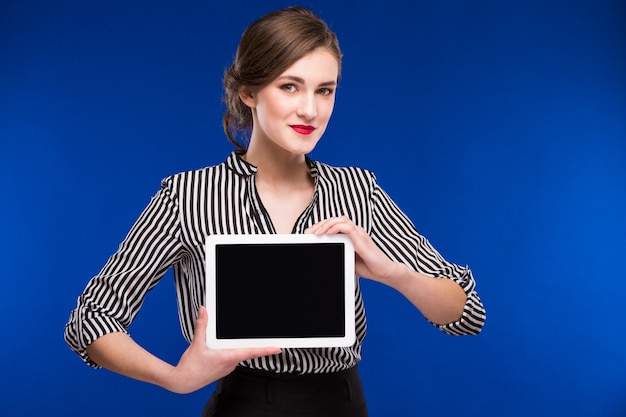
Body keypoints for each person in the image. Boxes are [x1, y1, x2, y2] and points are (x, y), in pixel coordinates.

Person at [64, 6, 486, 417]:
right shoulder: (188, 195)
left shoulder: (358, 189)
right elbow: (92, 318)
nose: (310, 110)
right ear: (248, 92)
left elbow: (464, 312)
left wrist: (394, 273)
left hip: (343, 404)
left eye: (325, 90)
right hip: (243, 405)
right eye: (290, 86)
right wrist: (176, 378)